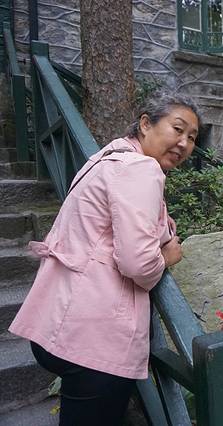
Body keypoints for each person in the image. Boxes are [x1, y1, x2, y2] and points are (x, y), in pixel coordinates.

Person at [9, 92, 200, 425]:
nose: (184, 143)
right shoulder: (140, 169)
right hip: (93, 337)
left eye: (193, 137)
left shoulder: (107, 158)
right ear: (145, 124)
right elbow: (138, 263)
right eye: (178, 129)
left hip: (61, 320)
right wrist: (167, 256)